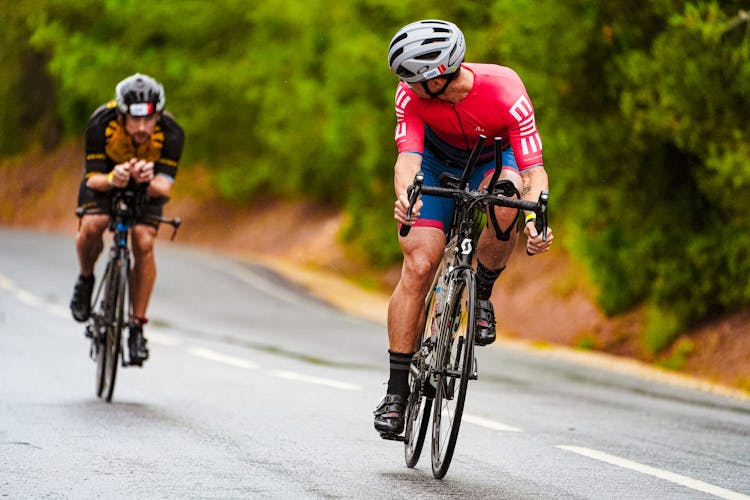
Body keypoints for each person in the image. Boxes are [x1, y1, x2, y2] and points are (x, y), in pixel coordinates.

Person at [374, 20, 554, 436]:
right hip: (436, 163)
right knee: (419, 265)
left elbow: (534, 171)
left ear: (438, 77)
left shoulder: (505, 89)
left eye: (414, 80)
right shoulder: (411, 96)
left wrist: (534, 218)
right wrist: (407, 196)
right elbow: (408, 160)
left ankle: (483, 293)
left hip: (495, 159)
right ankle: (397, 393)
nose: (406, 87)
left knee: (506, 200)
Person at [70, 73, 184, 365]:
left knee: (144, 241)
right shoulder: (100, 123)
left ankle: (136, 326)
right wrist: (113, 177)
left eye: (150, 119)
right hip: (105, 179)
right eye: (136, 120)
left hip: (146, 185)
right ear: (122, 115)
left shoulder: (170, 132)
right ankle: (85, 279)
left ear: (158, 114)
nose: (143, 127)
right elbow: (93, 178)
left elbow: (165, 187)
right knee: (93, 224)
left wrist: (146, 180)